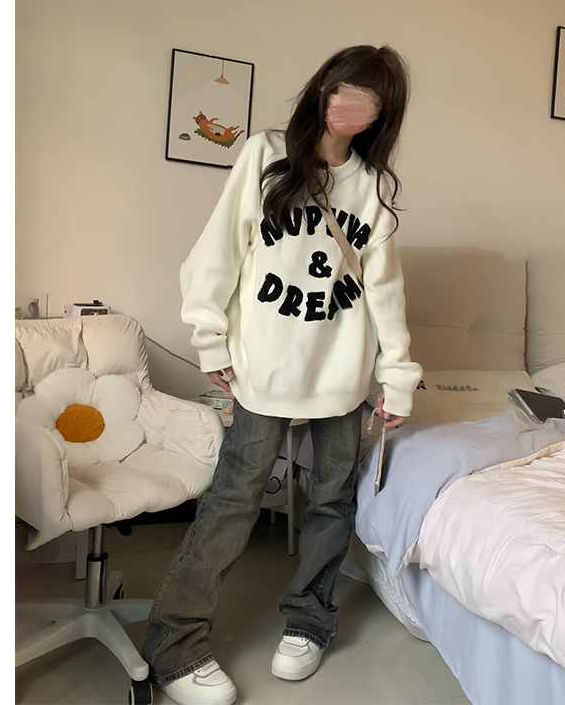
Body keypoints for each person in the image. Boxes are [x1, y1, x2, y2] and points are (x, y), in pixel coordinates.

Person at [142, 44, 423, 705]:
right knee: (233, 500)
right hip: (264, 368)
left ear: (382, 115)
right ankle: (174, 644)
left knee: (331, 501)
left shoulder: (373, 189)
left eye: (370, 99)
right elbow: (217, 251)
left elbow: (385, 294)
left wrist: (398, 378)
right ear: (323, 89)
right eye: (344, 89)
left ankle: (309, 620)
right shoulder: (264, 154)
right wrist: (210, 340)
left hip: (341, 373)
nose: (350, 106)